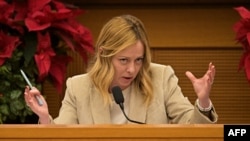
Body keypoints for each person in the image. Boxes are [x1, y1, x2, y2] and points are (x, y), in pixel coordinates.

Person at [24, 14, 218, 124]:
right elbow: (63, 135)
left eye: (139, 60)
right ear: (104, 54)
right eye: (124, 60)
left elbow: (192, 127)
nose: (132, 70)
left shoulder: (161, 77)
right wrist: (44, 116)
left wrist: (203, 101)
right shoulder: (78, 87)